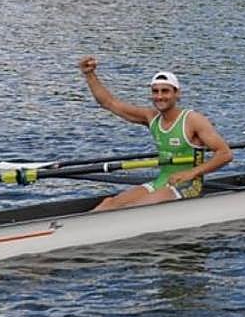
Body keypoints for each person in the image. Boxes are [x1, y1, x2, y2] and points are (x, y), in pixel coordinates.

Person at [78, 56, 233, 210]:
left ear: (177, 94)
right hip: (161, 181)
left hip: (188, 185)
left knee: (138, 207)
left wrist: (191, 173)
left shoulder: (193, 120)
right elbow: (109, 103)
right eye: (155, 91)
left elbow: (225, 154)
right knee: (109, 203)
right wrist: (89, 74)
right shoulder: (151, 117)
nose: (159, 96)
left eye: (165, 91)